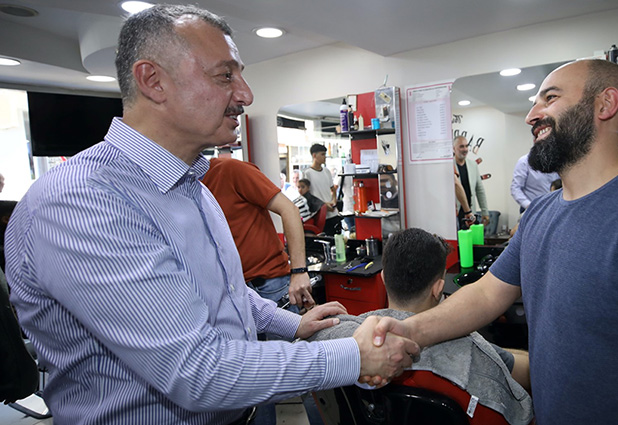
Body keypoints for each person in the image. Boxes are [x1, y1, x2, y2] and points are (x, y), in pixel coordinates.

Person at [3, 5, 418, 424]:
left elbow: (225, 294)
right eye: (225, 76)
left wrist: (291, 324)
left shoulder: (194, 189)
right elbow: (197, 371)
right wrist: (353, 356)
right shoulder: (82, 202)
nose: (246, 95)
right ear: (153, 81)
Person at [371, 59, 618, 424]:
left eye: (550, 98)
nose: (531, 115)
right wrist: (408, 331)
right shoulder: (540, 214)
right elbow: (487, 294)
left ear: (605, 104)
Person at [308, 228, 533, 424]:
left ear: (384, 278)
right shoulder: (471, 349)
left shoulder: (343, 341)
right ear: (438, 288)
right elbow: (525, 377)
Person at [202, 157, 315, 310]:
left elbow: (289, 209)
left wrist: (299, 271)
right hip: (228, 289)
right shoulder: (184, 190)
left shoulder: (229, 169)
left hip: (268, 283)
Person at [303, 144, 341, 235]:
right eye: (322, 154)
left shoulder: (326, 171)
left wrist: (334, 201)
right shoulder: (308, 173)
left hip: (334, 214)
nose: (325, 157)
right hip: (321, 215)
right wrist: (323, 205)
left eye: (325, 154)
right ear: (314, 155)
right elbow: (307, 195)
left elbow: (333, 189)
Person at [453, 135, 488, 229]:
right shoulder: (449, 165)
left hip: (470, 213)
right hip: (455, 213)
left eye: (466, 146)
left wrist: (485, 211)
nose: (465, 149)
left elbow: (480, 190)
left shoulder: (473, 165)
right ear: (454, 148)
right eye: (461, 146)